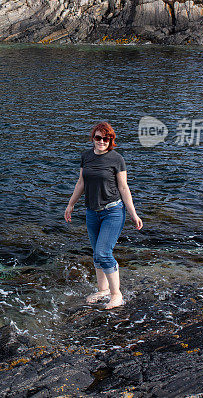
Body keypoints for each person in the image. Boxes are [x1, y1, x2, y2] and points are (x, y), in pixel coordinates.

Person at [64, 122, 143, 309]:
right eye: (98, 137)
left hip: (113, 211)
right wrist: (70, 204)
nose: (102, 141)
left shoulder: (117, 159)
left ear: (111, 140)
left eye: (106, 138)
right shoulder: (86, 156)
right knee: (96, 254)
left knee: (103, 252)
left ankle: (116, 295)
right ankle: (103, 290)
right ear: (93, 138)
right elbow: (81, 183)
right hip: (92, 212)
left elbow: (124, 188)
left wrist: (133, 213)